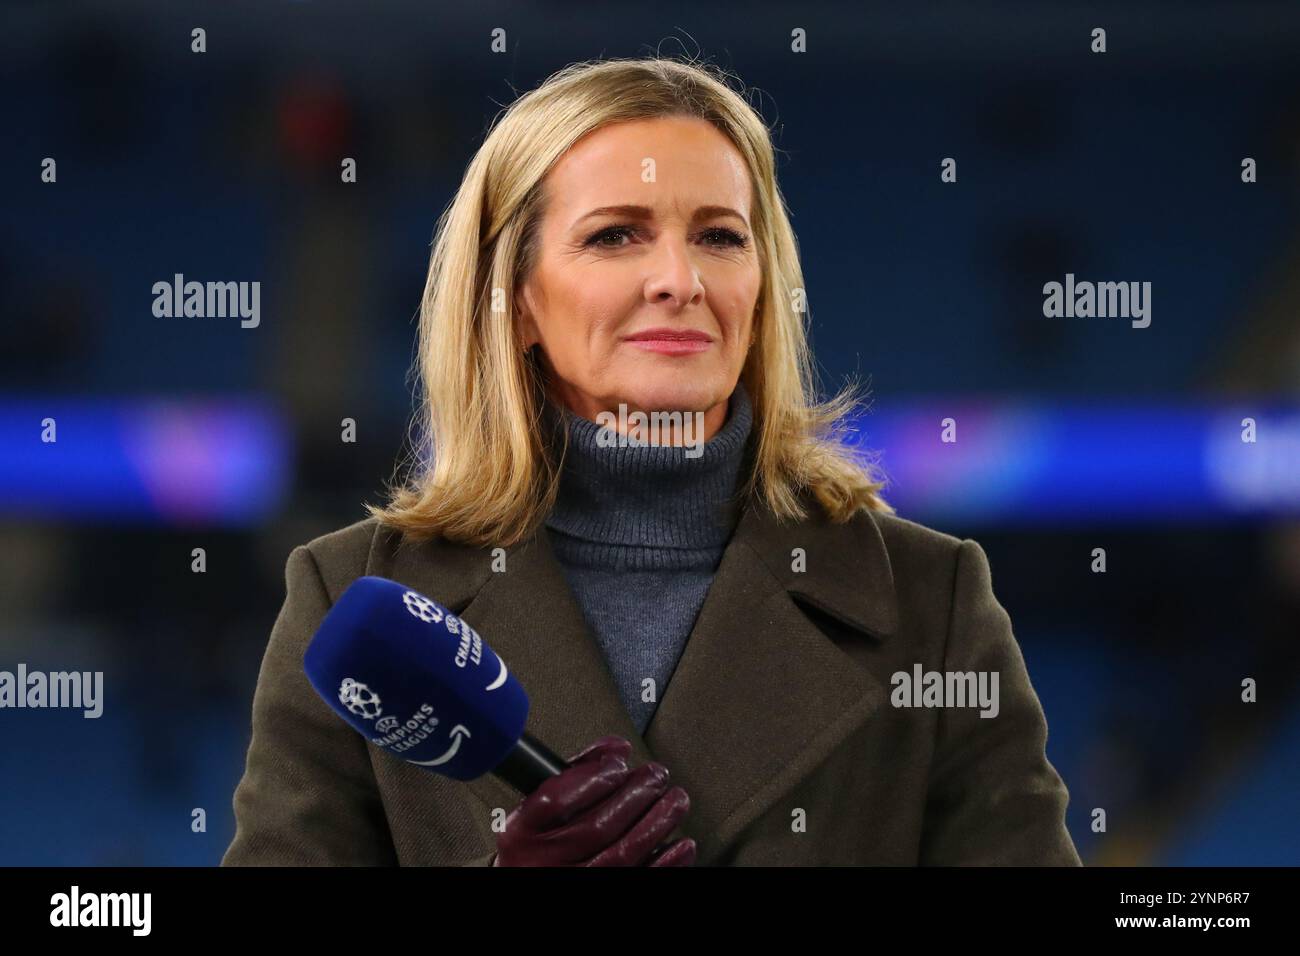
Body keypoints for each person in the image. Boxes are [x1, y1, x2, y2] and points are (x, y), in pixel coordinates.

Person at [222, 56, 1081, 867]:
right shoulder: (348, 599)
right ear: (514, 299)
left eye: (719, 236)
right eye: (615, 237)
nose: (679, 279)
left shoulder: (932, 602)